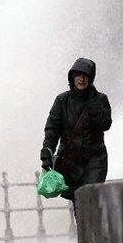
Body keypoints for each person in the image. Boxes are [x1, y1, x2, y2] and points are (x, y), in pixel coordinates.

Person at [40, 58, 112, 205]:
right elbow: (52, 130)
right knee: (78, 200)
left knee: (91, 197)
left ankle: (92, 228)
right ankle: (84, 228)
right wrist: (47, 153)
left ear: (91, 78)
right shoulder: (62, 100)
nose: (82, 79)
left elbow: (105, 124)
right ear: (72, 77)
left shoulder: (100, 99)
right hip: (70, 161)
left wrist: (92, 101)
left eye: (86, 75)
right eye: (78, 75)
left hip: (94, 160)